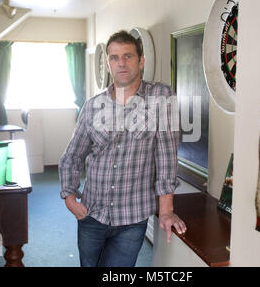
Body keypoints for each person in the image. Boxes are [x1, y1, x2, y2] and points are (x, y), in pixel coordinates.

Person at [59, 30, 186, 267]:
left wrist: (166, 210)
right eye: (115, 58)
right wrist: (69, 196)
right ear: (108, 64)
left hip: (132, 217)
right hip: (91, 213)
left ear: (141, 61)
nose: (121, 63)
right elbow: (72, 156)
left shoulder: (161, 97)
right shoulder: (92, 106)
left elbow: (167, 156)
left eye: (128, 56)